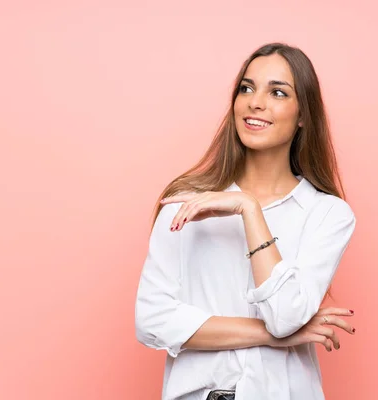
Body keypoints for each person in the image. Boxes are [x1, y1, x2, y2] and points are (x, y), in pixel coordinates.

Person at [135, 42, 357, 400]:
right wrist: (278, 335)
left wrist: (248, 208)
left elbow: (285, 316)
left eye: (278, 92)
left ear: (303, 115)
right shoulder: (186, 205)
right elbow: (152, 321)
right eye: (247, 88)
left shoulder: (328, 215)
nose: (256, 102)